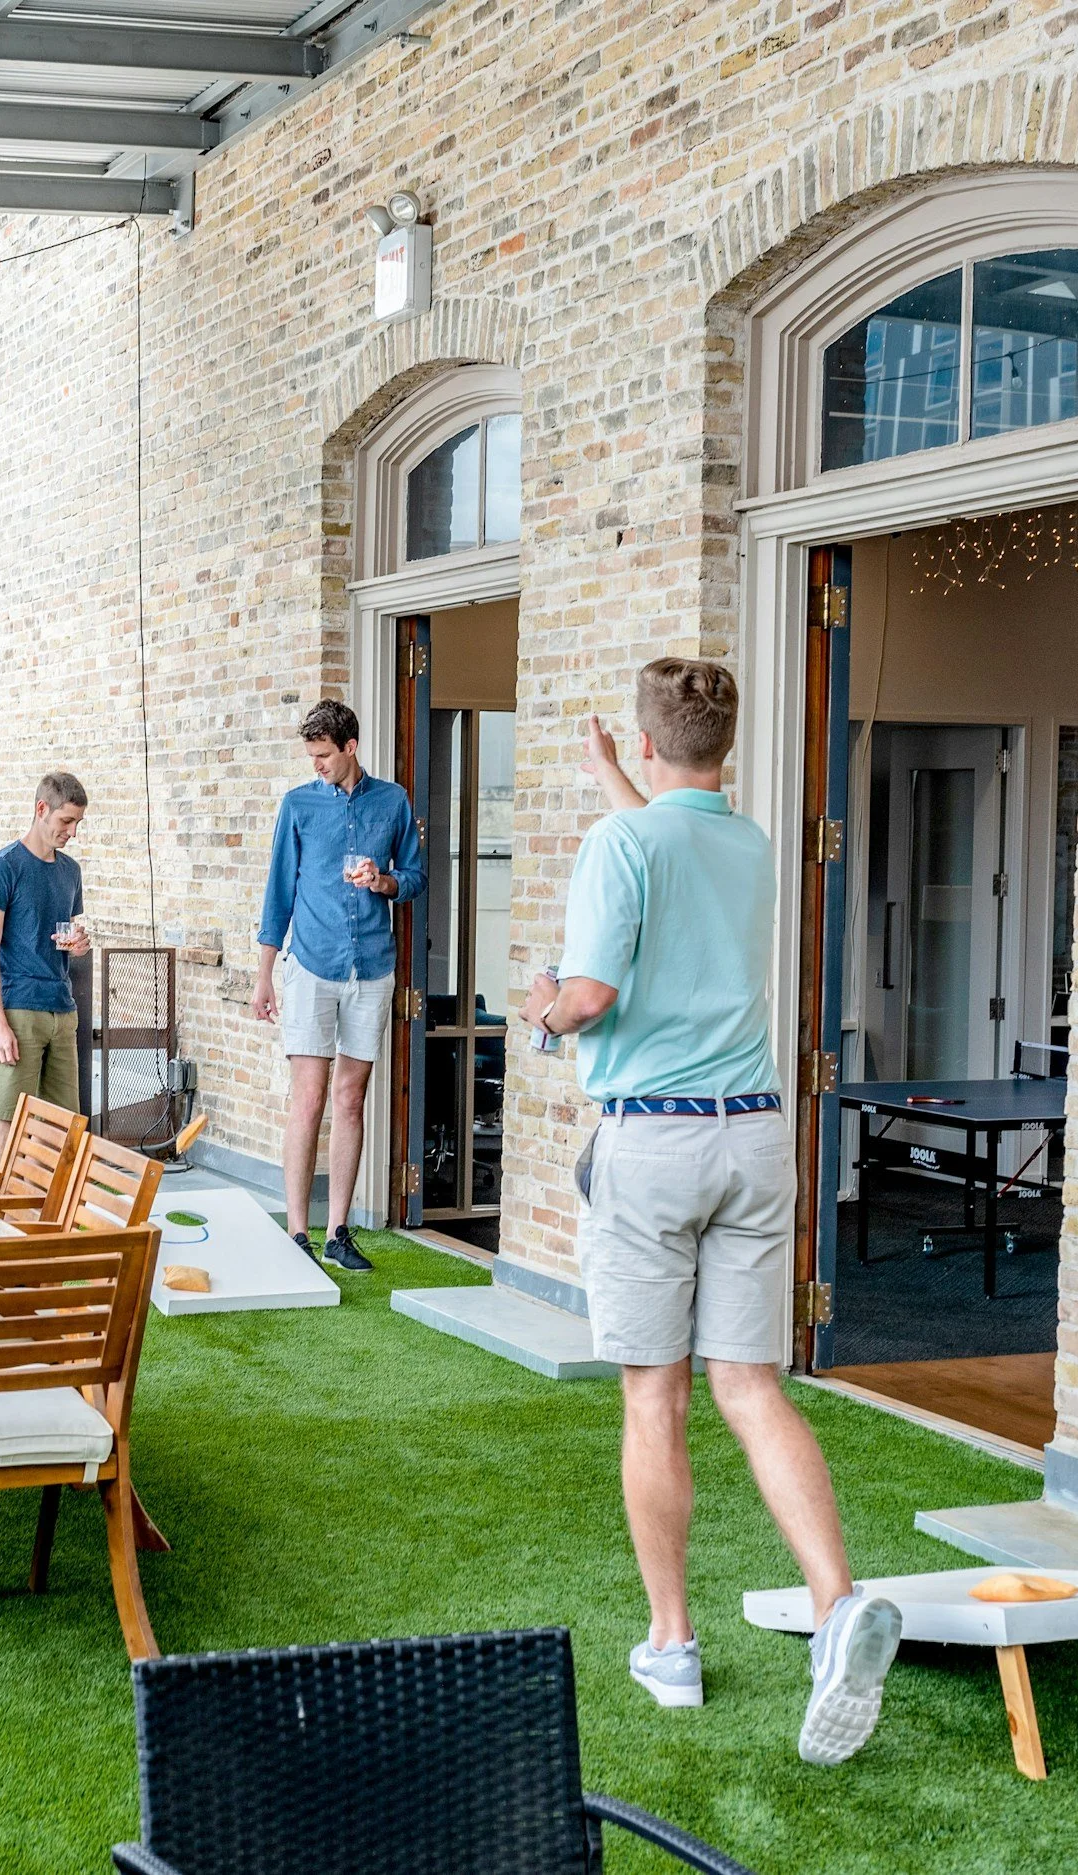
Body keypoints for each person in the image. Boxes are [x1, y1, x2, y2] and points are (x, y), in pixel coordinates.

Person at [519, 658, 899, 1764]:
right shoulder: (747, 843)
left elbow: (590, 995)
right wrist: (608, 778)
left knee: (655, 1399)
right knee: (748, 1383)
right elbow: (666, 840)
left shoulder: (619, 846)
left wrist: (542, 1014)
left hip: (657, 1141)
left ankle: (671, 1644)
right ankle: (835, 1607)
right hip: (754, 1134)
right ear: (717, 746)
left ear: (646, 742)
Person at [252, 699, 426, 1271]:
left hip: (372, 968)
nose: (317, 765)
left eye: (324, 755)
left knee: (352, 1100)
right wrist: (264, 977)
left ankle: (337, 1232)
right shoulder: (298, 805)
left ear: (351, 747)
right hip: (311, 966)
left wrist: (386, 881)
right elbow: (278, 893)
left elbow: (417, 876)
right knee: (309, 1099)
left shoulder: (392, 801)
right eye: (311, 756)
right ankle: (296, 1233)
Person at [0, 772, 92, 1164]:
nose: (72, 832)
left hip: (62, 1010)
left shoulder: (70, 871)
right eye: (66, 821)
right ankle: (3, 1220)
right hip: (17, 1011)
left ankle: (46, 1220)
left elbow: (64, 938)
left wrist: (79, 944)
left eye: (77, 823)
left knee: (62, 1129)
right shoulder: (3, 867)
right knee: (11, 1126)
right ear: (41, 809)